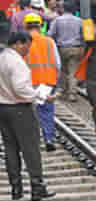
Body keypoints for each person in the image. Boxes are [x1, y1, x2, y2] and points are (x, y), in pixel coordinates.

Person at [0, 30, 54, 201]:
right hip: (20, 109)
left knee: (11, 149)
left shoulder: (2, 58)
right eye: (27, 47)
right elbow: (20, 88)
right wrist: (41, 96)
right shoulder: (17, 63)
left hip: (3, 108)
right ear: (18, 44)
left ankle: (16, 188)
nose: (28, 51)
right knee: (30, 148)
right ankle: (37, 187)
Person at [23, 14, 59, 151]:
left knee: (28, 111)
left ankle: (31, 141)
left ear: (25, 26)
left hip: (29, 82)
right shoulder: (49, 42)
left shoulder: (23, 42)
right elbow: (57, 63)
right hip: (48, 82)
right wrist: (56, 79)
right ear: (40, 25)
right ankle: (49, 139)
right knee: (47, 112)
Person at [47, 1, 83, 95]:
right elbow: (84, 35)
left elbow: (50, 34)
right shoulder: (79, 21)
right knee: (73, 71)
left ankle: (62, 90)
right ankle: (72, 93)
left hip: (61, 48)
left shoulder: (57, 20)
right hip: (76, 48)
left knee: (62, 70)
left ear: (63, 9)